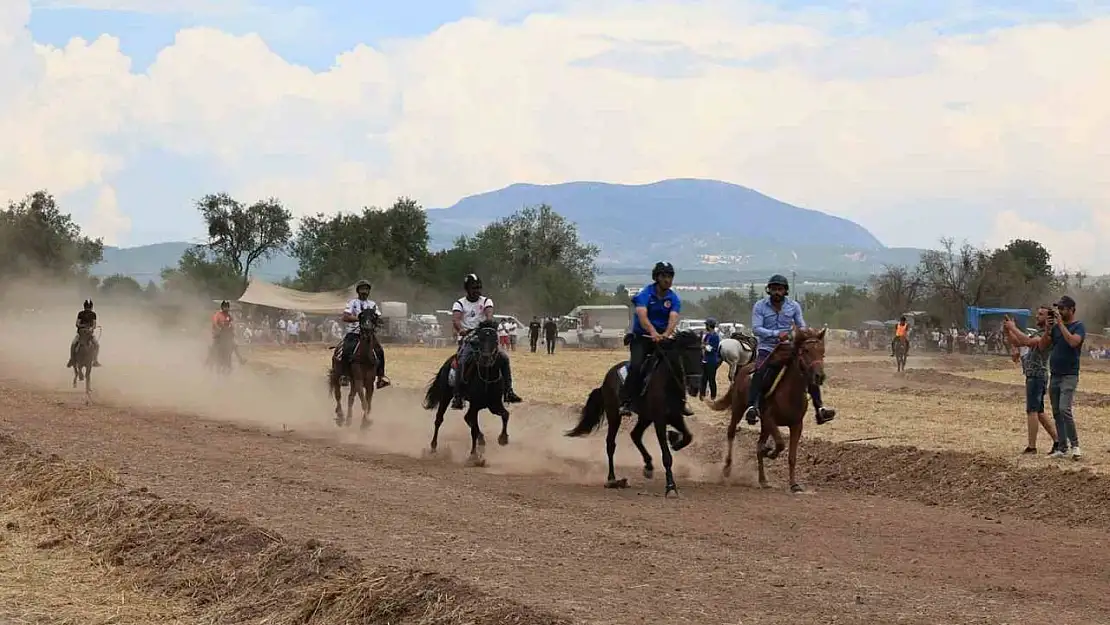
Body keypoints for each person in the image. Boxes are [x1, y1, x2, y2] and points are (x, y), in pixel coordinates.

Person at [742, 274, 836, 426]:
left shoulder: (794, 306)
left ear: (785, 291)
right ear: (769, 290)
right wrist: (776, 334)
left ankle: (820, 408)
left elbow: (802, 325)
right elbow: (756, 329)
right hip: (768, 348)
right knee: (760, 372)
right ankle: (753, 407)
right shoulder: (760, 306)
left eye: (779, 289)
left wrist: (801, 333)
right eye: (773, 289)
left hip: (789, 347)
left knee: (808, 368)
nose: (776, 292)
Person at [1005, 295, 1084, 459]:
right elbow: (1031, 343)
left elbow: (1071, 342)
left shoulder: (1077, 326)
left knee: (1057, 409)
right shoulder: (1051, 329)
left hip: (1054, 374)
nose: (1059, 312)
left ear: (1072, 310)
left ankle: (1071, 445)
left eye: (1062, 309)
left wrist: (1013, 328)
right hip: (1053, 374)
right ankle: (1060, 445)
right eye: (1058, 309)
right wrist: (1008, 331)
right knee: (1052, 411)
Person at [619, 261, 694, 418]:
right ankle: (626, 401)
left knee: (677, 365)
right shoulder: (644, 294)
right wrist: (653, 332)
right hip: (642, 338)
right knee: (636, 365)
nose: (668, 280)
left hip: (663, 338)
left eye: (670, 276)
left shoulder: (673, 298)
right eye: (664, 276)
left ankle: (682, 400)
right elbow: (642, 316)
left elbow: (673, 318)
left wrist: (666, 334)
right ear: (657, 277)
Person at [450, 273, 522, 410]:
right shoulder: (459, 303)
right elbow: (456, 320)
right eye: (474, 288)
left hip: (485, 338)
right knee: (462, 360)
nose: (477, 290)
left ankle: (508, 391)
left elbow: (489, 314)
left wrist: (488, 321)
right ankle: (458, 395)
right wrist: (461, 330)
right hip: (469, 340)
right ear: (467, 289)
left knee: (504, 358)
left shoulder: (486, 301)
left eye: (478, 287)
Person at [1002, 307, 1059, 454]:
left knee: (1032, 410)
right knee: (1038, 411)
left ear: (1048, 319)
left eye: (1041, 314)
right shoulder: (1038, 333)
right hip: (1034, 375)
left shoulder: (1047, 335)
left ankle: (1032, 447)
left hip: (1036, 375)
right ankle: (1057, 441)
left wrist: (1013, 327)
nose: (1037, 316)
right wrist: (1007, 331)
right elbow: (1017, 341)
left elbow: (1026, 341)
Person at [333, 279, 390, 389]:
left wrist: (378, 321)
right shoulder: (352, 303)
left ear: (369, 291)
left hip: (369, 334)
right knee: (346, 349)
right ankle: (345, 375)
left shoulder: (372, 304)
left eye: (367, 289)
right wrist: (360, 319)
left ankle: (381, 377)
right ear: (358, 291)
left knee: (380, 351)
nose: (365, 291)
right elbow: (345, 316)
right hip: (353, 333)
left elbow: (378, 317)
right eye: (362, 289)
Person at [66, 299, 101, 368]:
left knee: (96, 345)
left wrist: (91, 328)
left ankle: (95, 360)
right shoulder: (80, 313)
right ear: (85, 307)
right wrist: (84, 326)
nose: (88, 308)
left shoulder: (93, 314)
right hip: (81, 334)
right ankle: (72, 359)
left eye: (89, 307)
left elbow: (94, 324)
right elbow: (77, 323)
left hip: (89, 334)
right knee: (73, 344)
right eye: (87, 307)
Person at [210, 300, 245, 365]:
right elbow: (215, 323)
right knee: (214, 347)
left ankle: (240, 359)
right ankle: (209, 360)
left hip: (227, 335)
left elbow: (232, 323)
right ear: (222, 307)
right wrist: (219, 328)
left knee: (234, 345)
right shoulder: (217, 315)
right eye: (225, 307)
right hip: (219, 335)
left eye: (227, 307)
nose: (226, 308)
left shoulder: (228, 316)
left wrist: (232, 328)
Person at [699, 318, 722, 401]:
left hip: (712, 360)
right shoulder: (708, 335)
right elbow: (703, 343)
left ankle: (713, 396)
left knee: (711, 379)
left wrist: (704, 346)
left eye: (706, 325)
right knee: (703, 378)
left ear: (709, 326)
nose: (705, 327)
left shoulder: (715, 336)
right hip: (705, 359)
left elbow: (712, 349)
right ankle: (702, 394)